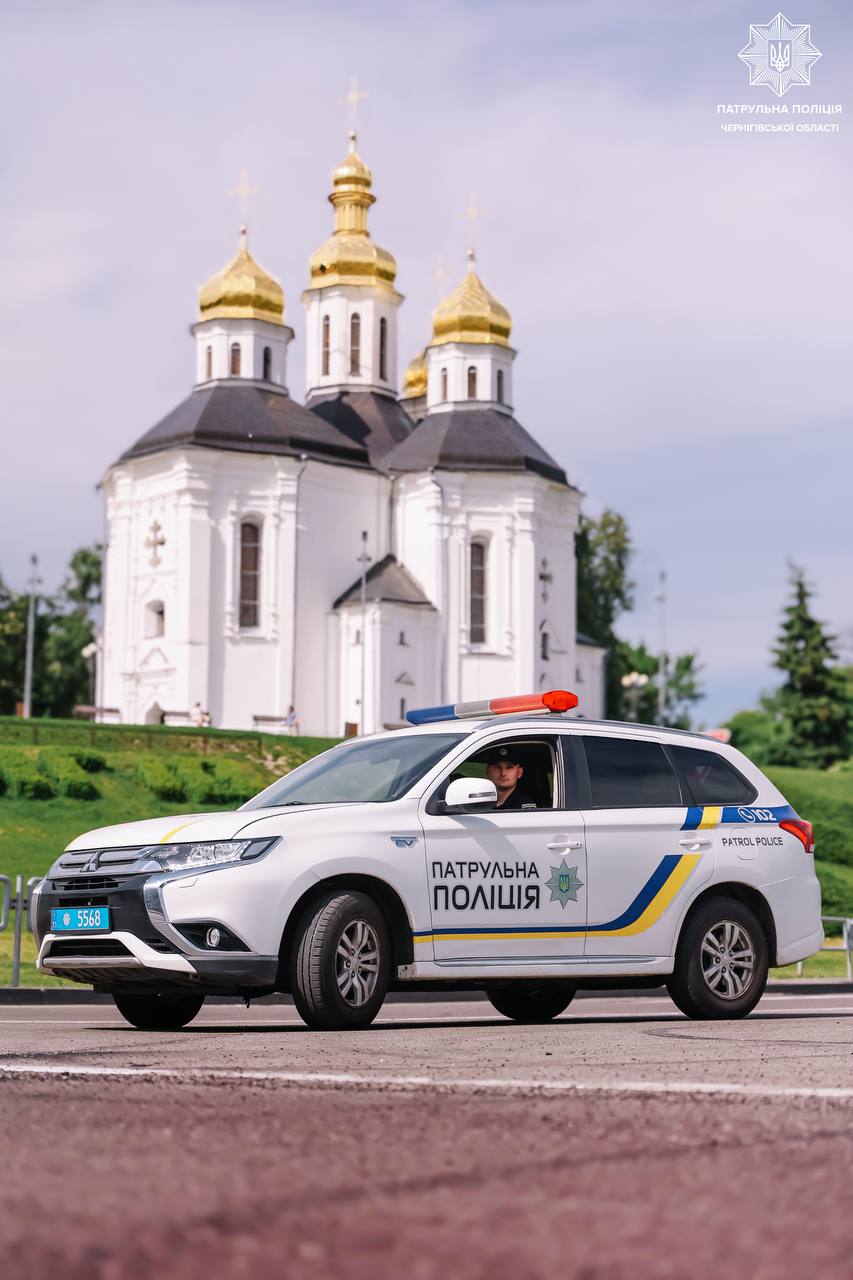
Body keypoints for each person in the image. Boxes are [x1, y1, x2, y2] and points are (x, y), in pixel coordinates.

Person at [484, 745, 537, 810]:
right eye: (497, 767)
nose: (503, 773)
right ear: (487, 771)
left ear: (519, 772)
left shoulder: (524, 807)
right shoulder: (479, 801)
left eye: (509, 768)